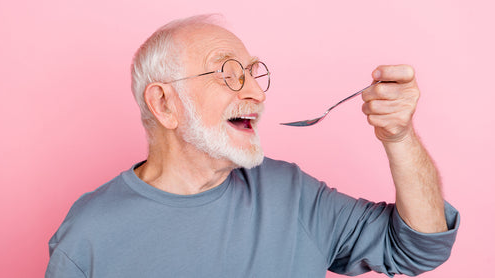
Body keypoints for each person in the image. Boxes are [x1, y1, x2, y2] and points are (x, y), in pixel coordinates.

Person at [46, 14, 459, 278]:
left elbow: (418, 248)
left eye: (252, 73)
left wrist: (399, 137)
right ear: (164, 104)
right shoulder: (89, 238)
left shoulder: (293, 194)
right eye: (228, 73)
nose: (257, 95)